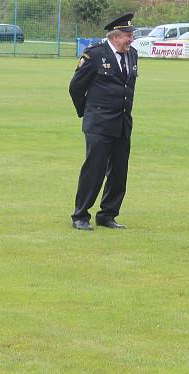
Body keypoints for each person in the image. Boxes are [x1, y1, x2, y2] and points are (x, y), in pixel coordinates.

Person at [69, 13, 139, 230]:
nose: (131, 39)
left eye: (131, 35)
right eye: (128, 35)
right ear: (115, 36)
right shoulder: (95, 55)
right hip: (99, 123)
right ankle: (80, 215)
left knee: (119, 172)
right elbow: (76, 88)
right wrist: (88, 113)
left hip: (122, 123)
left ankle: (107, 214)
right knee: (94, 170)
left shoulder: (132, 54)